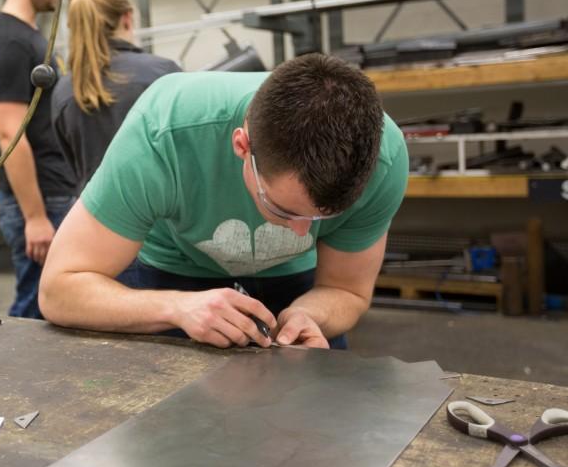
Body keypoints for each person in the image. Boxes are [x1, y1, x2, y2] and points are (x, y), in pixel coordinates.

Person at [39, 54, 409, 350]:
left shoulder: (383, 157)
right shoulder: (164, 132)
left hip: (298, 285)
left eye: (323, 217)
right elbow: (59, 291)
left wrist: (310, 314)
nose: (300, 232)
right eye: (283, 209)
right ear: (241, 147)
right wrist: (175, 307)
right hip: (173, 272)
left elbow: (347, 289)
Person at [0, 0, 76, 319]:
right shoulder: (10, 42)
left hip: (52, 193)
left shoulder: (29, 37)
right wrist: (34, 216)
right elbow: (9, 133)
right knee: (35, 313)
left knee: (51, 307)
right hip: (39, 202)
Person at [51, 0, 180, 191]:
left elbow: (73, 166)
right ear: (127, 18)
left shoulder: (63, 91)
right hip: (159, 217)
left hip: (93, 218)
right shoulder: (163, 74)